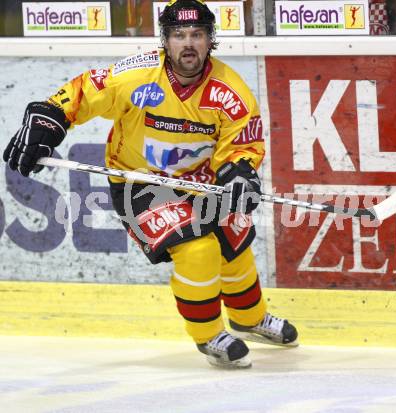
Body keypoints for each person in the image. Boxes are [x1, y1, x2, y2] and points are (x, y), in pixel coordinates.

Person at [3, 0, 298, 368]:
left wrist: (240, 170)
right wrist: (51, 118)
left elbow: (243, 143)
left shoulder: (231, 92)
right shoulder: (138, 74)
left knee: (234, 244)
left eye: (197, 34)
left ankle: (249, 318)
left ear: (210, 41)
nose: (188, 43)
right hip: (140, 183)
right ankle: (208, 336)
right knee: (197, 250)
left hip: (201, 184)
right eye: (178, 35)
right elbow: (86, 90)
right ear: (165, 39)